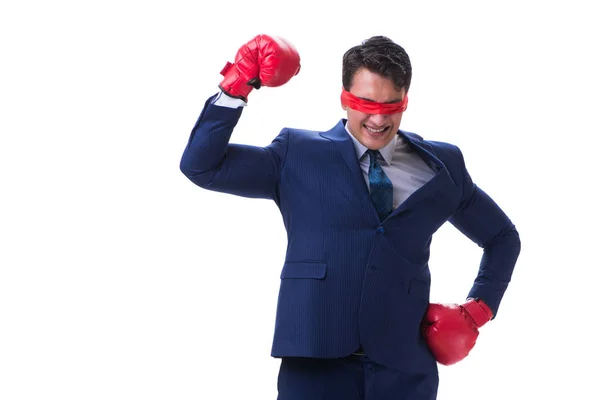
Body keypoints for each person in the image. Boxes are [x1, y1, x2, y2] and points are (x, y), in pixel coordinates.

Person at [179, 34, 521, 400]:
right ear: (344, 98)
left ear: (405, 100)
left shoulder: (441, 166)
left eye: (391, 106)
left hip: (405, 370)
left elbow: (502, 237)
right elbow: (202, 166)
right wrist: (238, 84)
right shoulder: (297, 153)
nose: (377, 118)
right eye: (365, 102)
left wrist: (479, 310)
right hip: (315, 367)